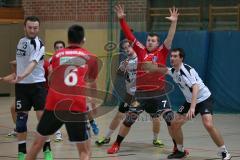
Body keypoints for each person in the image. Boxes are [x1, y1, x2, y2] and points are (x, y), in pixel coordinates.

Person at [106, 5, 179, 154]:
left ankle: (177, 146)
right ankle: (116, 144)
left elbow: (170, 37)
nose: (150, 42)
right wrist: (121, 20)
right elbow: (129, 35)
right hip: (141, 94)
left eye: (153, 41)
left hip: (159, 94)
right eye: (148, 40)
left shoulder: (162, 51)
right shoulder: (140, 50)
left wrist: (173, 22)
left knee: (170, 120)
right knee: (129, 119)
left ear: (158, 43)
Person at [26, 24, 98, 160]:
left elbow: (51, 76)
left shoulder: (57, 55)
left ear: (68, 39)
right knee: (84, 151)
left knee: (37, 144)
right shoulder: (91, 57)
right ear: (83, 39)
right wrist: (93, 103)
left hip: (55, 103)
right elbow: (92, 83)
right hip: (76, 105)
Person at [144, 48, 232, 160]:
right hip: (190, 101)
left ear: (181, 58)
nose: (172, 58)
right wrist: (150, 66)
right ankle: (180, 151)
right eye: (171, 56)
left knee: (208, 124)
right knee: (174, 124)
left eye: (175, 56)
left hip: (204, 99)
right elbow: (162, 70)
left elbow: (195, 87)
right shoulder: (174, 71)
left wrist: (192, 107)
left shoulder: (185, 70)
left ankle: (224, 152)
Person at [96, 39, 164, 147]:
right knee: (119, 115)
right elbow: (119, 73)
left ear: (133, 47)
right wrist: (122, 68)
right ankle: (107, 137)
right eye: (124, 48)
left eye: (128, 46)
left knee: (155, 117)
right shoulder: (125, 62)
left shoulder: (140, 58)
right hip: (130, 95)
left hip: (144, 94)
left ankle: (156, 139)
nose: (127, 49)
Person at [11, 16, 53, 160]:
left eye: (35, 28)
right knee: (21, 120)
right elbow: (21, 62)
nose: (32, 30)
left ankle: (47, 149)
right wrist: (15, 75)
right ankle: (22, 152)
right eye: (30, 27)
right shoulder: (21, 41)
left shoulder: (39, 44)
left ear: (38, 28)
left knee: (42, 119)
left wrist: (21, 75)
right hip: (22, 87)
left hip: (38, 85)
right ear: (24, 27)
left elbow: (32, 64)